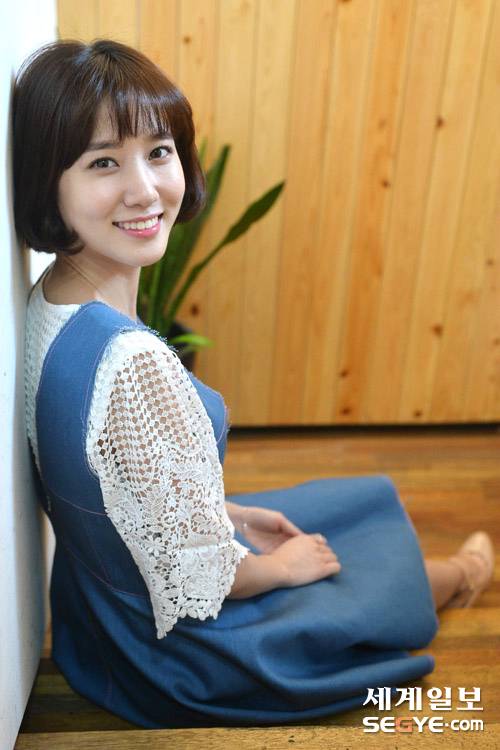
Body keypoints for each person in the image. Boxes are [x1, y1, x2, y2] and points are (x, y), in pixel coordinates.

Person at [14, 38, 495, 729]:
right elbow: (203, 582)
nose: (145, 190)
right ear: (48, 181)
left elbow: (120, 491)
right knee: (340, 566)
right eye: (103, 163)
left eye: (158, 151)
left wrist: (230, 517)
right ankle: (459, 580)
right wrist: (279, 569)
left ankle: (419, 571)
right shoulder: (134, 365)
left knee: (334, 508)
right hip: (176, 653)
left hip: (98, 619)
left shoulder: (50, 301)